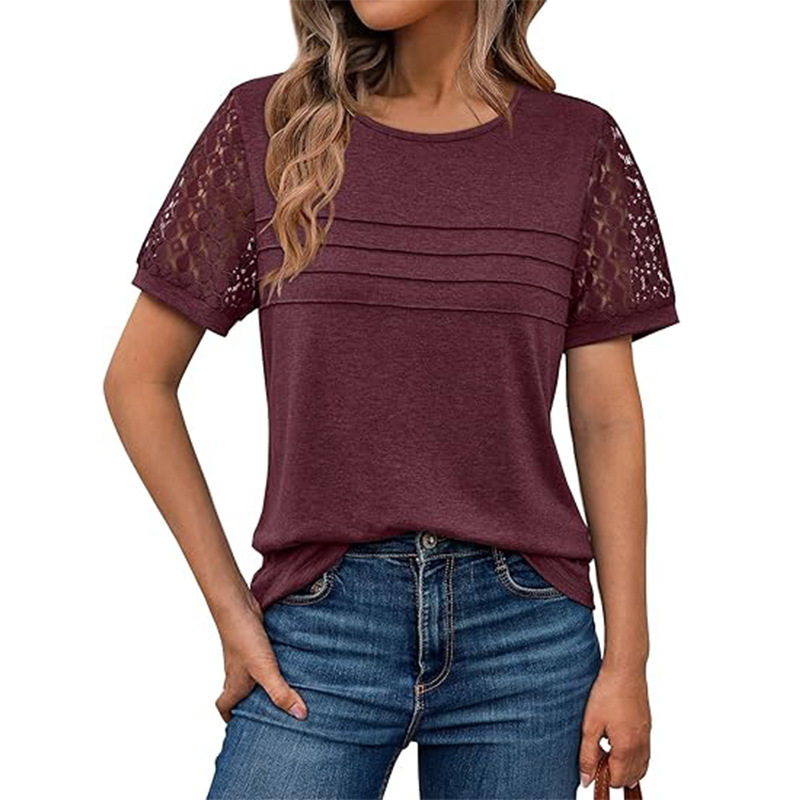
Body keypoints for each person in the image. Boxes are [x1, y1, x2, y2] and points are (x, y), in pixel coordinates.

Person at [104, 1, 678, 797]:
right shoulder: (266, 126)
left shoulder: (579, 144)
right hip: (320, 623)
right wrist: (232, 612)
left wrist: (629, 660)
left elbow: (608, 419)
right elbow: (137, 381)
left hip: (526, 636)